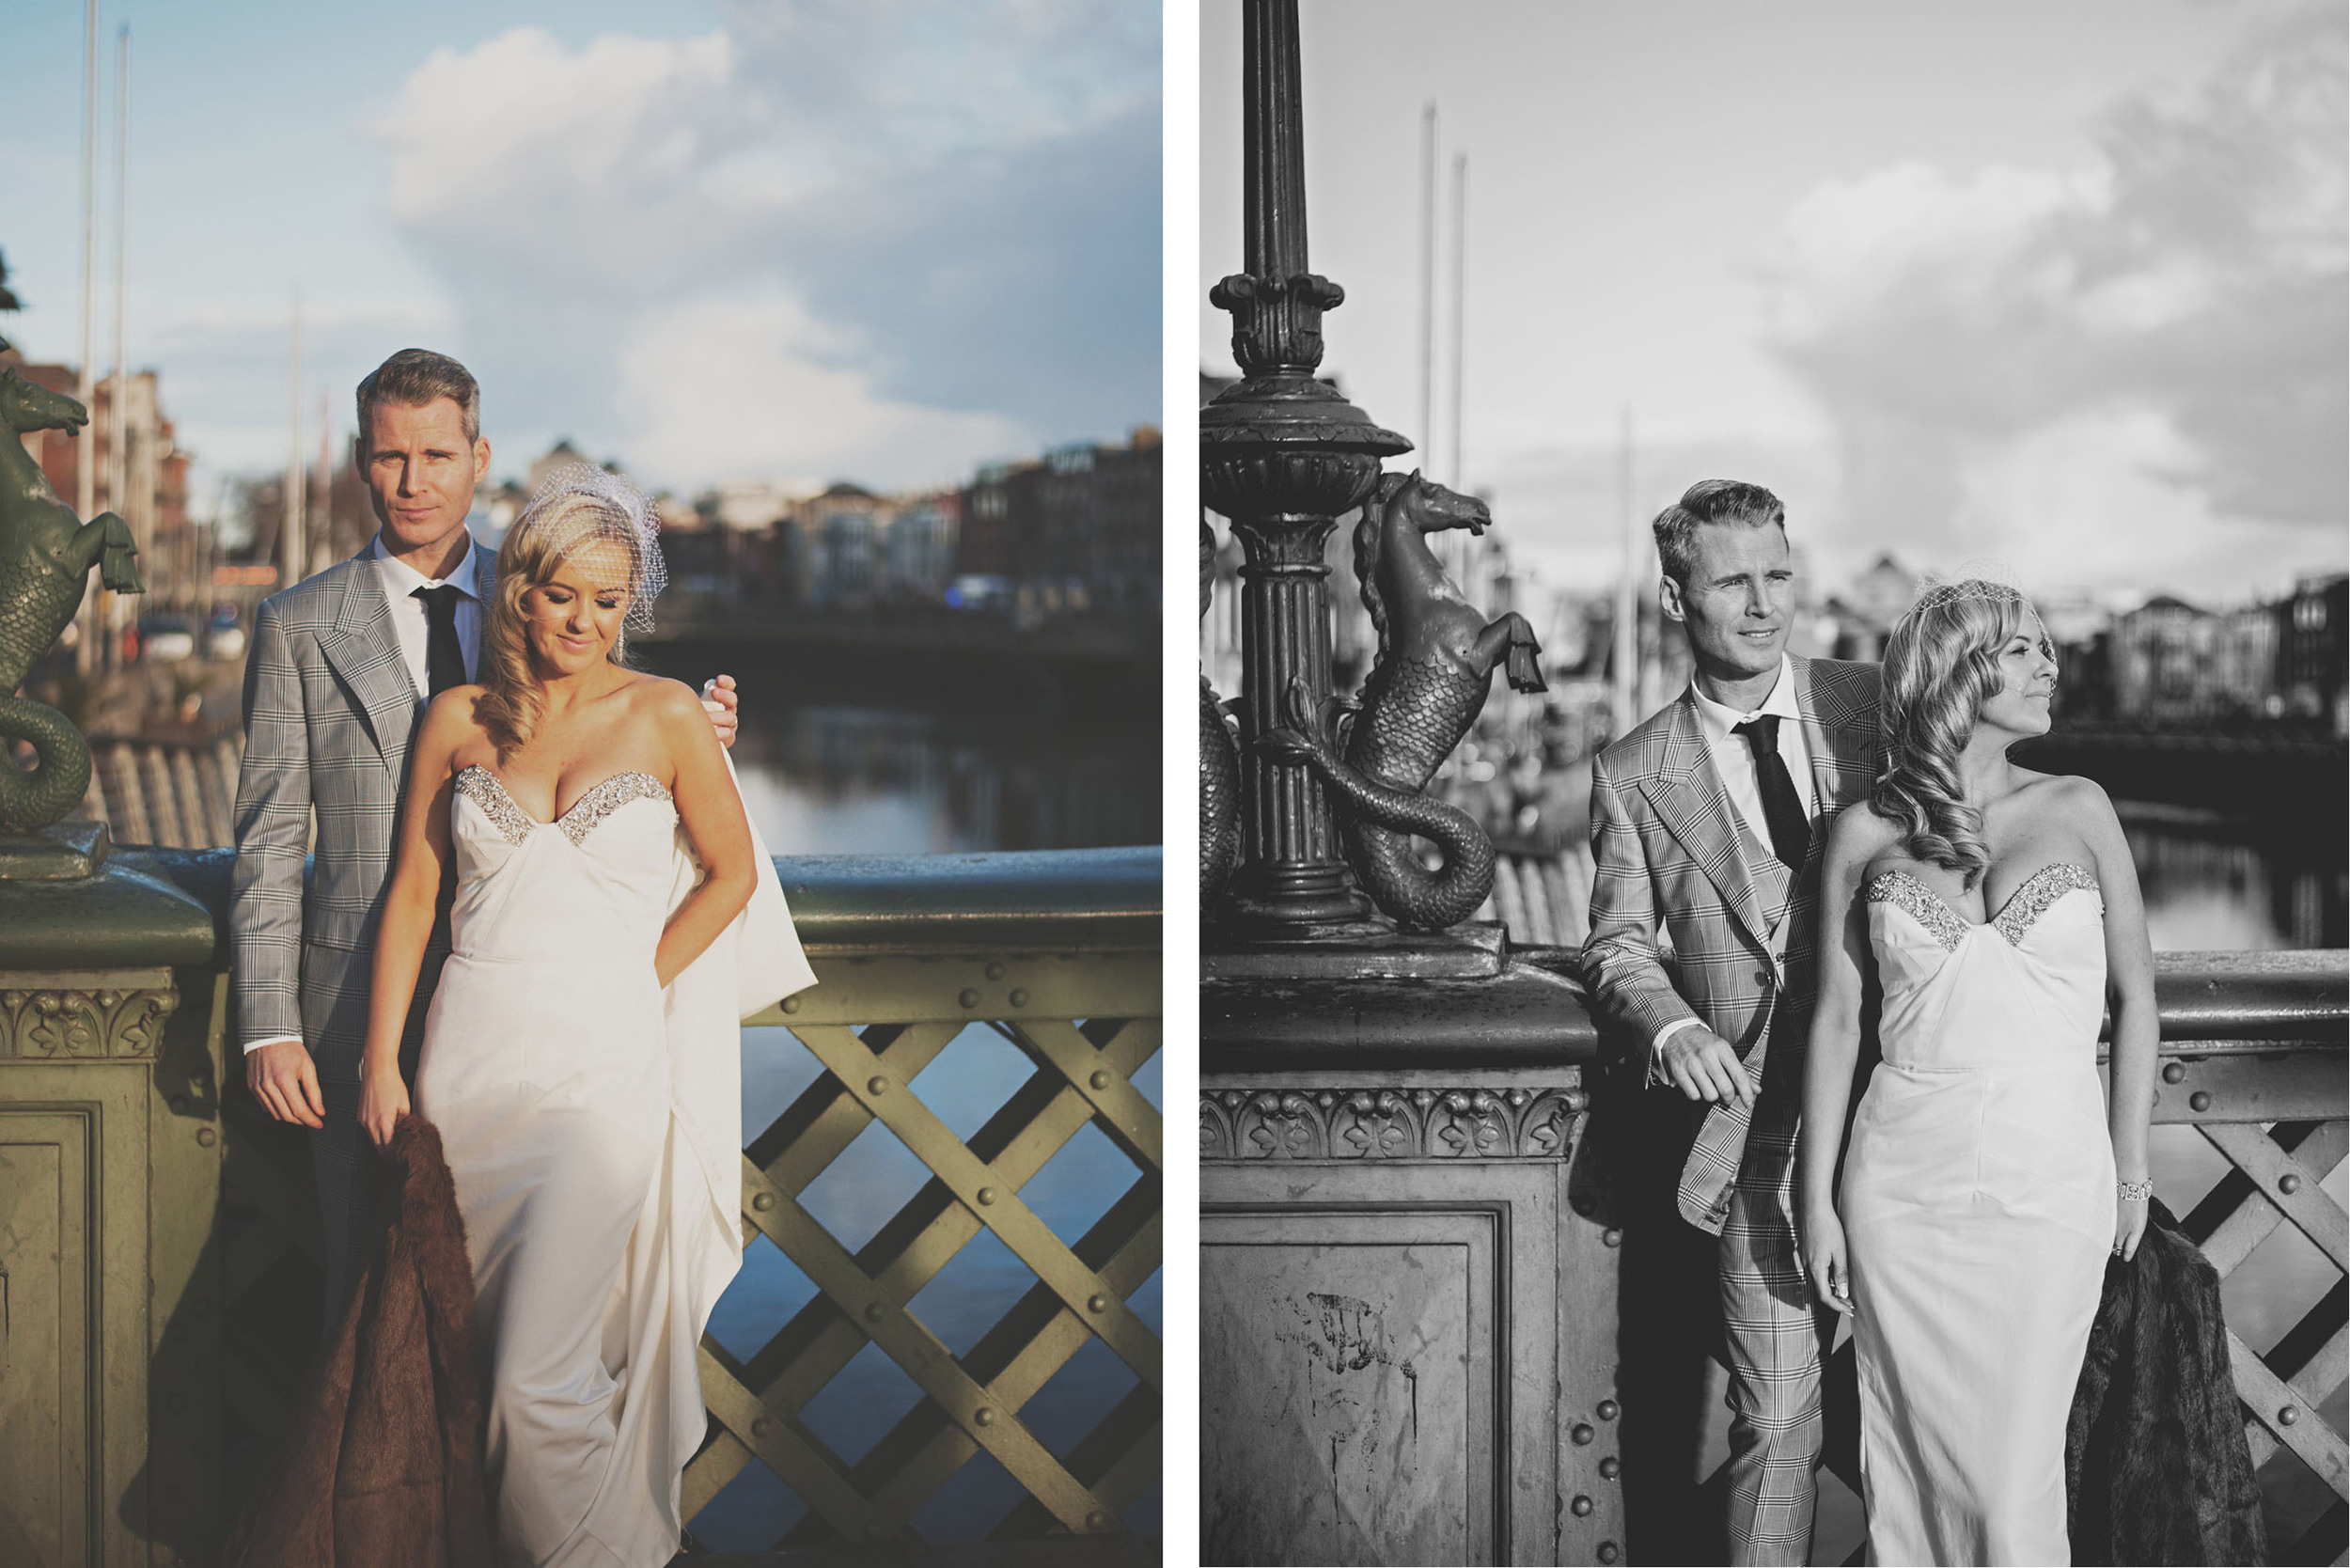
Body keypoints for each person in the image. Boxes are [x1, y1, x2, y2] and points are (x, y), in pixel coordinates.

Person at [357, 464, 813, 1565]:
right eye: (565, 593)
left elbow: (732, 876)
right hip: (466, 1070)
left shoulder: (665, 715)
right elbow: (414, 894)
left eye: (610, 601)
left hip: (600, 1077)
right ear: (521, 590)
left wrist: (635, 976)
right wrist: (381, 1061)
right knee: (473, 1375)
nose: (586, 620)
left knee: (535, 1386)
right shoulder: (455, 720)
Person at [230, 349, 741, 1321]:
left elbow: (624, 728)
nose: (413, 481)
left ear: (479, 456)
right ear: (360, 461)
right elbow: (264, 840)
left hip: (539, 1028)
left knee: (534, 1317)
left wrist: (706, 731)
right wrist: (269, 1024)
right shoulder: (297, 624)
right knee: (371, 1306)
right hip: (350, 1015)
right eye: (389, 456)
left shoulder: (549, 579)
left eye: (436, 453)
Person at [1798, 579, 2157, 1565]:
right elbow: (1835, 1023)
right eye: (2023, 650)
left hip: (2050, 1181)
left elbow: (2137, 1003)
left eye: (2047, 647)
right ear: (1959, 675)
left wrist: (2129, 1168)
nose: (2050, 666)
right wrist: (1817, 1201)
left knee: (2011, 1489)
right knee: (1909, 1488)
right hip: (1900, 1190)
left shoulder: (2079, 807)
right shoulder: (1862, 830)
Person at [1581, 479, 1882, 1565]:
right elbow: (1615, 943)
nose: (1762, 606)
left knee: (1936, 1417)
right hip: (1756, 1149)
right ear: (1674, 597)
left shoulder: (1874, 704)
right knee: (1777, 1425)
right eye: (1731, 581)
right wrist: (1667, 1029)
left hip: (1910, 1117)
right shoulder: (1632, 772)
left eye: (1776, 576)